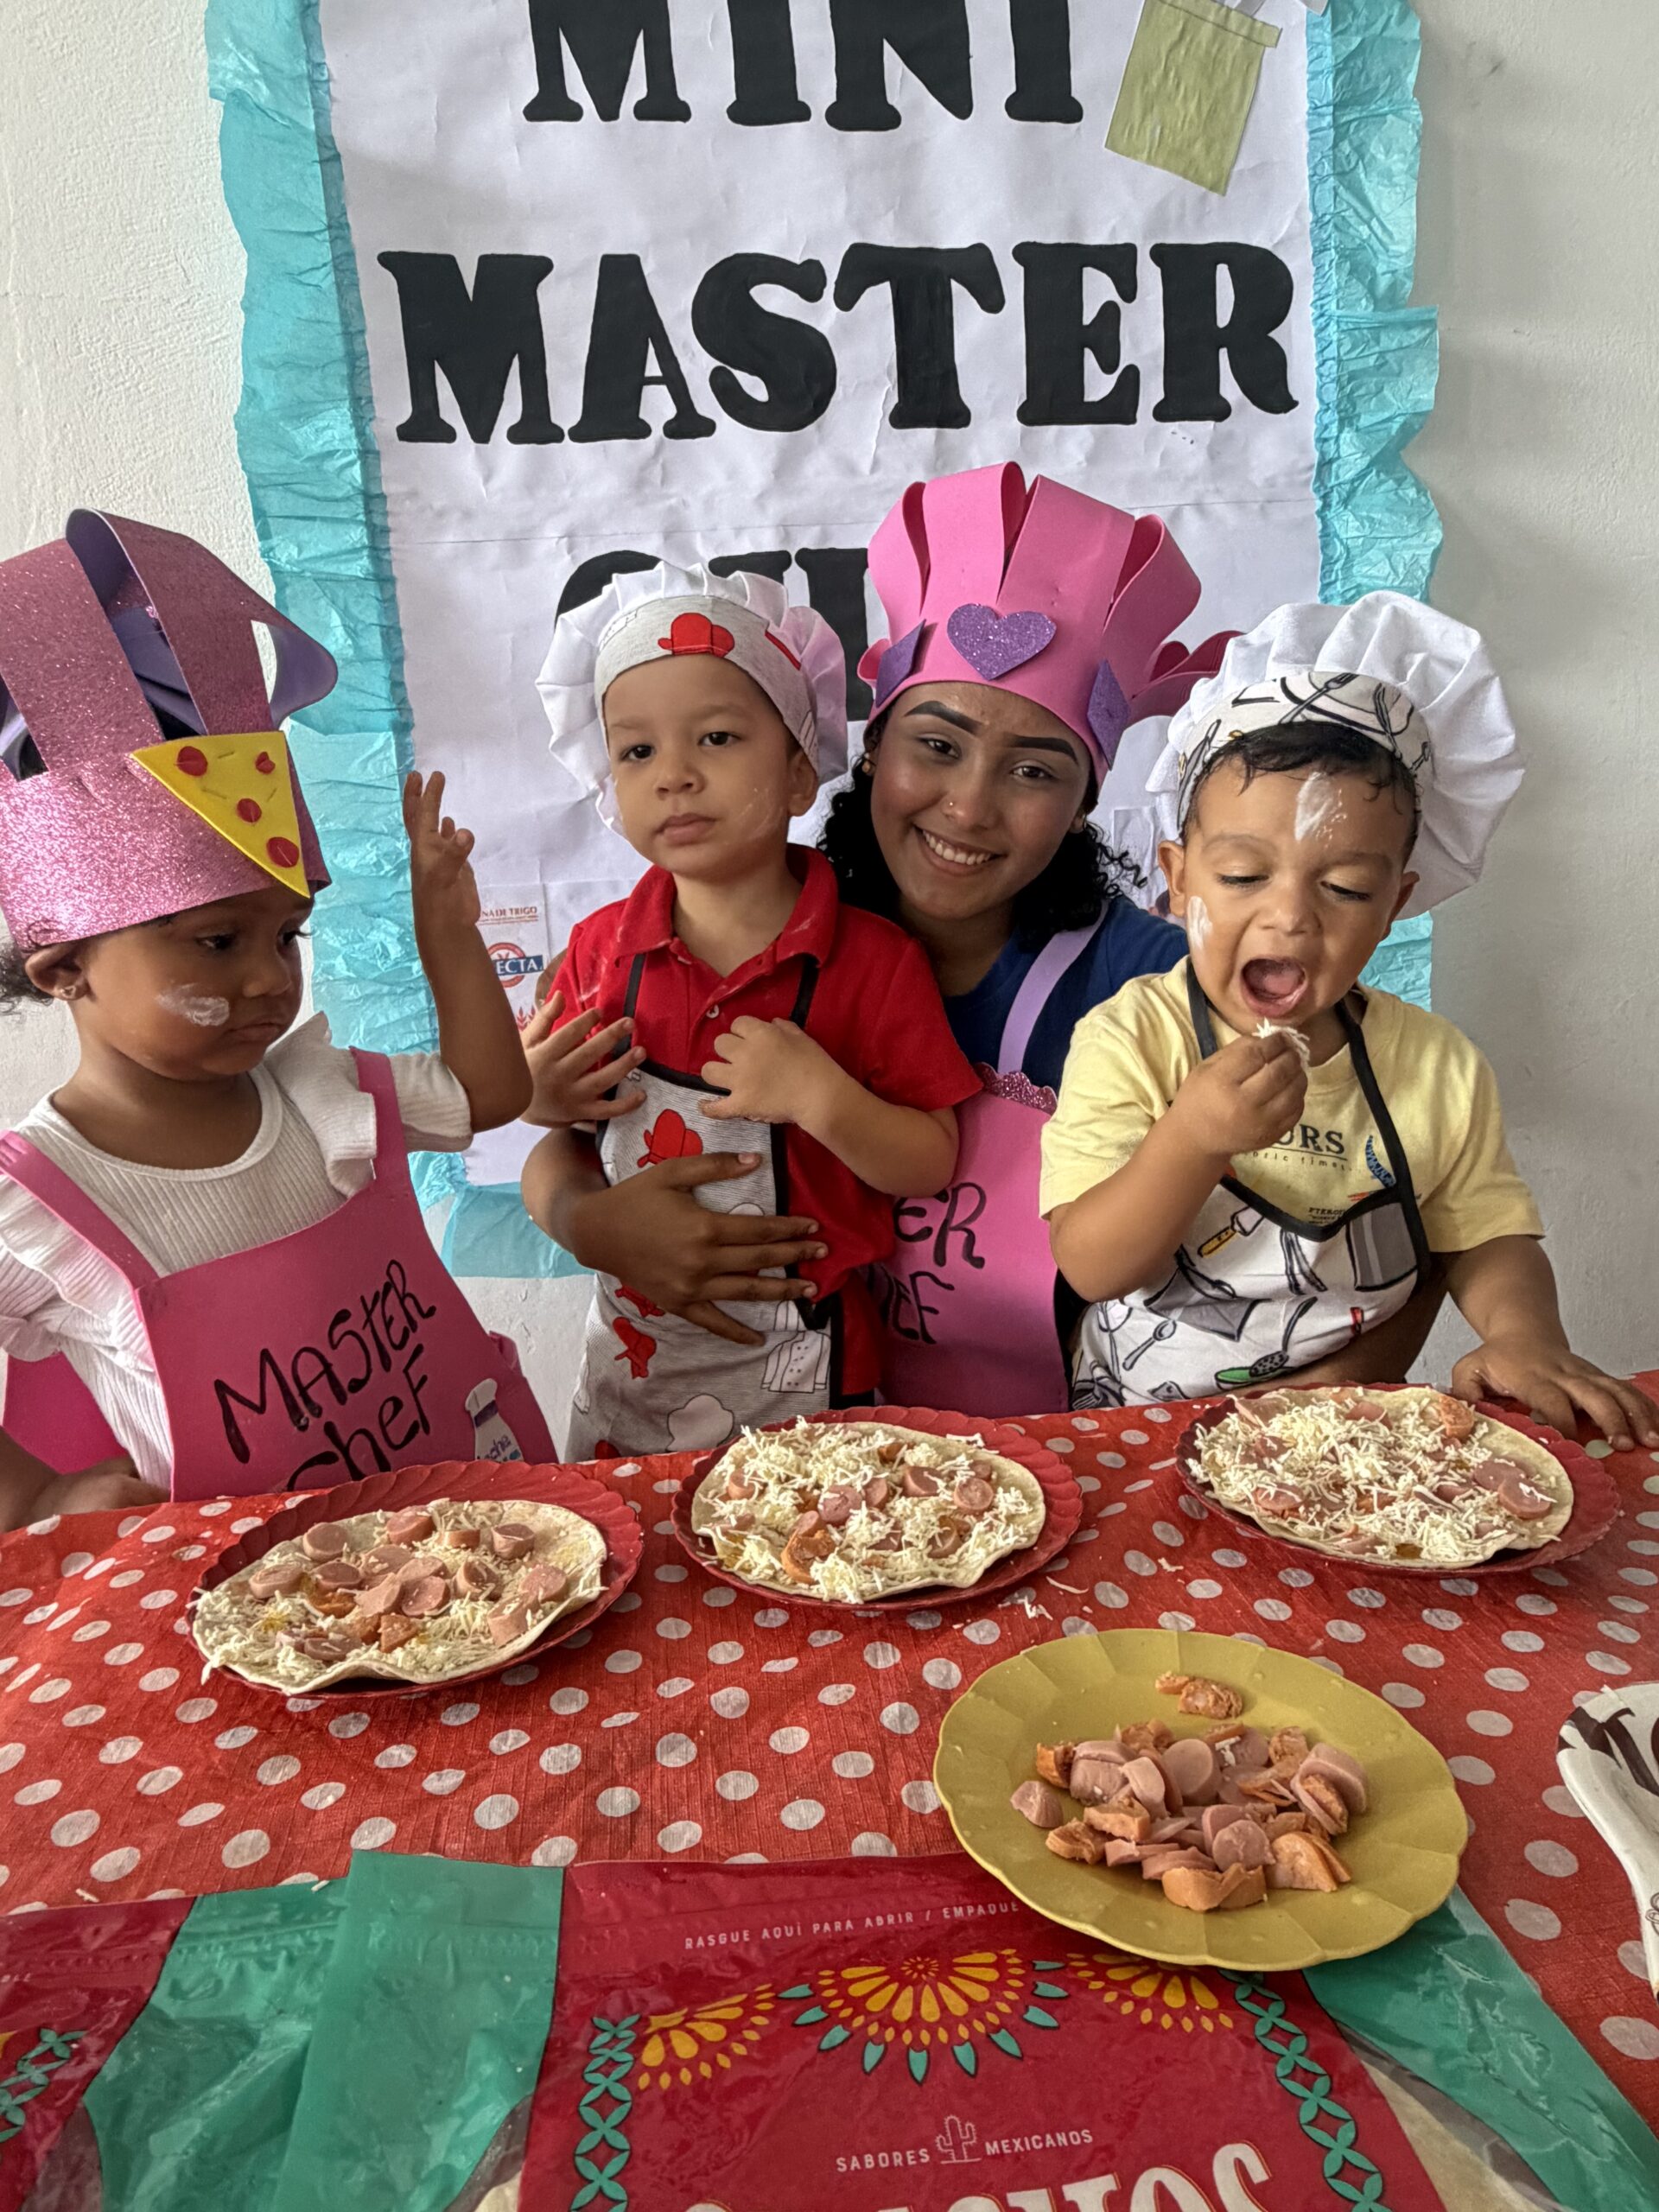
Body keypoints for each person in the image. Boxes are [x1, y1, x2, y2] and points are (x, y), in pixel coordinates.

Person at [0, 509, 553, 1529]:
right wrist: (41, 1491)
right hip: (250, 1595)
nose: (269, 979)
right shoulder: (33, 1201)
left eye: (288, 935)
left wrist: (445, 930)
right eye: (218, 942)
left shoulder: (321, 1094)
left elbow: (490, 1092)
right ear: (67, 967)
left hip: (469, 1540)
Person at [1042, 593, 1659, 1450]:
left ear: (1396, 904)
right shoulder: (1132, 1039)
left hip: (1341, 1441)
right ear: (1177, 879)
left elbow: (1482, 1235)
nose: (1291, 917)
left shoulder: (1436, 1066)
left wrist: (1524, 1336)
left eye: (1345, 889)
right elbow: (1092, 1264)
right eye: (1243, 876)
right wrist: (1192, 1137)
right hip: (1137, 1433)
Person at [523, 564, 977, 1456]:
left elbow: (930, 1161)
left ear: (802, 772)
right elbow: (559, 1139)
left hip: (812, 1386)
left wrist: (821, 1097)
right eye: (637, 752)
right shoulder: (598, 952)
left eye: (718, 737)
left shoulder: (875, 962)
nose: (674, 776)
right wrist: (539, 1102)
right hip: (630, 1376)